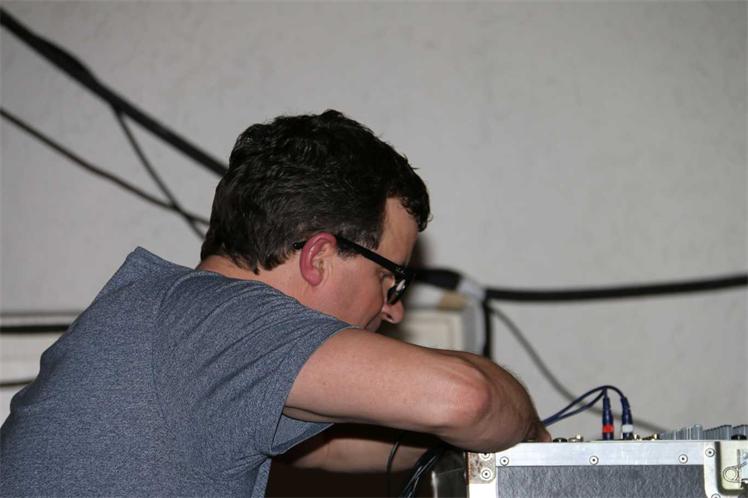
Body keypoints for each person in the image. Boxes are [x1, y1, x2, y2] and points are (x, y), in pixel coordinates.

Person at [0, 110, 549, 496]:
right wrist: (537, 440)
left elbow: (334, 448)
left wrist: (465, 443)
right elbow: (466, 398)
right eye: (390, 280)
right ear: (319, 257)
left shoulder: (174, 324)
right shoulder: (219, 320)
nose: (393, 310)